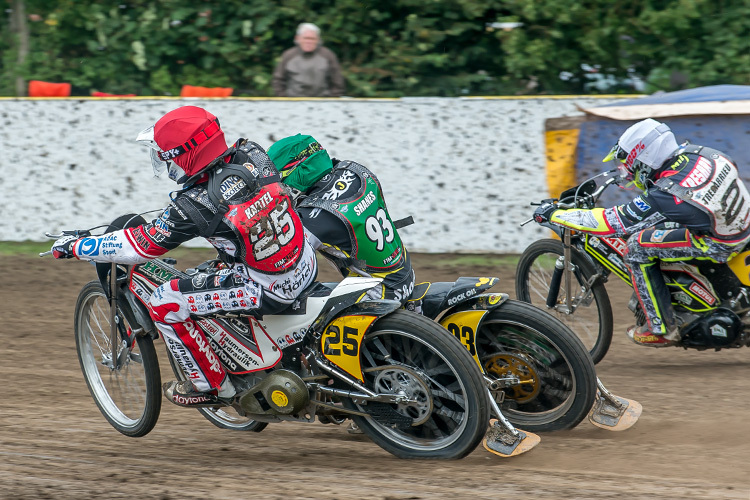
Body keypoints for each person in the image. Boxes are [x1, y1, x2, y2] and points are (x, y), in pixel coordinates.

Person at [51, 106, 317, 406]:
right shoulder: (251, 153)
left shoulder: (195, 203)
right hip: (304, 261)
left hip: (268, 287)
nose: (164, 163)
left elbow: (142, 245)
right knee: (213, 267)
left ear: (185, 155)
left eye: (166, 156)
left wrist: (76, 247)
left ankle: (209, 386)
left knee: (165, 301)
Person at [533, 118, 750, 347]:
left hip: (720, 242)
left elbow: (613, 223)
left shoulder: (666, 193)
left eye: (629, 164)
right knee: (658, 228)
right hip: (740, 224)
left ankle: (660, 327)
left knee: (637, 245)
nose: (627, 171)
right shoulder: (704, 154)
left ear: (644, 158)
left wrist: (555, 215)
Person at [267, 133, 416, 308]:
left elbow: (285, 264)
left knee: (303, 317)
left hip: (379, 294)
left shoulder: (312, 218)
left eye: (280, 180)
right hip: (405, 274)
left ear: (295, 173)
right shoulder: (356, 170)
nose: (279, 188)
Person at [272, 23, 345, 97]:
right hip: (294, 102)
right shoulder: (288, 55)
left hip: (322, 102)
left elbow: (337, 81)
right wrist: (284, 99)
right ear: (298, 38)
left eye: (312, 39)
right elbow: (278, 79)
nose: (309, 42)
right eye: (306, 38)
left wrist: (332, 100)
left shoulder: (328, 55)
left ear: (318, 40)